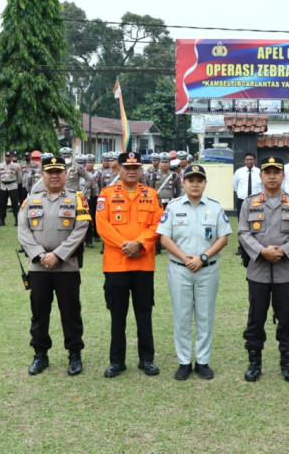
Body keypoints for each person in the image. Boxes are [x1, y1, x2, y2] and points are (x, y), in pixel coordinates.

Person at [238, 156, 289, 382]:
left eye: (276, 172)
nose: (271, 176)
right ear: (261, 176)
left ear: (283, 175)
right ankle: (254, 362)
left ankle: (287, 362)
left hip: (284, 270)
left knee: (286, 318)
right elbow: (243, 232)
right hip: (258, 269)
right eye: (267, 172)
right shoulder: (249, 202)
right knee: (256, 318)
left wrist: (284, 250)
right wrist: (262, 251)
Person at [156, 164, 231, 380]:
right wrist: (184, 258)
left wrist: (203, 257)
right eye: (191, 180)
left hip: (207, 269)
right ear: (184, 183)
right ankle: (183, 362)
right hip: (180, 269)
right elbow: (164, 238)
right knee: (182, 316)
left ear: (205, 183)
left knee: (205, 317)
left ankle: (203, 361)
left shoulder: (215, 208)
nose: (195, 184)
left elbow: (223, 238)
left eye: (199, 180)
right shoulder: (173, 207)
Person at [19, 154, 91, 376]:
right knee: (39, 313)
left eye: (59, 171)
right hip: (38, 267)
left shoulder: (77, 198)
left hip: (66, 266)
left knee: (70, 312)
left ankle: (74, 354)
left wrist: (58, 255)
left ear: (65, 174)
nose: (54, 176)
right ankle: (40, 354)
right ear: (43, 175)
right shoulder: (31, 199)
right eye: (49, 172)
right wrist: (40, 255)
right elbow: (23, 230)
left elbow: (81, 228)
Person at [95, 151, 164, 378]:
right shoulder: (106, 195)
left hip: (143, 264)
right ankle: (117, 361)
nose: (131, 171)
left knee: (144, 313)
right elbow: (102, 226)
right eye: (127, 167)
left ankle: (147, 360)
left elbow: (157, 225)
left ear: (140, 170)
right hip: (116, 264)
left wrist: (140, 244)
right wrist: (125, 245)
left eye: (135, 168)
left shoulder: (152, 195)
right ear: (119, 169)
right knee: (118, 314)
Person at [232, 153, 262, 260]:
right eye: (247, 159)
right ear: (244, 160)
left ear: (254, 160)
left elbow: (262, 187)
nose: (249, 161)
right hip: (242, 201)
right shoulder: (239, 172)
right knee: (242, 223)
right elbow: (235, 186)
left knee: (257, 223)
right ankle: (241, 247)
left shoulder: (259, 172)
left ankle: (256, 246)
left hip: (257, 202)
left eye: (251, 159)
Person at [0, 151, 22, 226]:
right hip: (3, 186)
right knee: (2, 204)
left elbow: (19, 177)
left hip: (12, 185)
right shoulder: (0, 165)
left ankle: (17, 220)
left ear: (11, 157)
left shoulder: (16, 166)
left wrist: (15, 183)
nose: (7, 157)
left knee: (15, 204)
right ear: (5, 157)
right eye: (6, 156)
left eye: (9, 156)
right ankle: (2, 220)